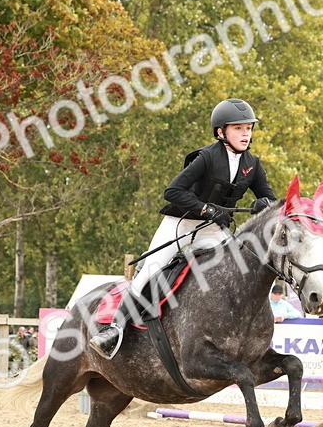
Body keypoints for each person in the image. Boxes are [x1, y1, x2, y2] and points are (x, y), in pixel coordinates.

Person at [89, 98, 278, 358]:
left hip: (213, 231)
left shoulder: (252, 164)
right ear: (221, 132)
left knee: (238, 267)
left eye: (248, 128)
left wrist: (263, 203)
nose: (245, 134)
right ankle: (113, 330)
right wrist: (206, 209)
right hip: (182, 223)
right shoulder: (207, 157)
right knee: (150, 270)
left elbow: (272, 201)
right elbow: (173, 191)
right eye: (238, 129)